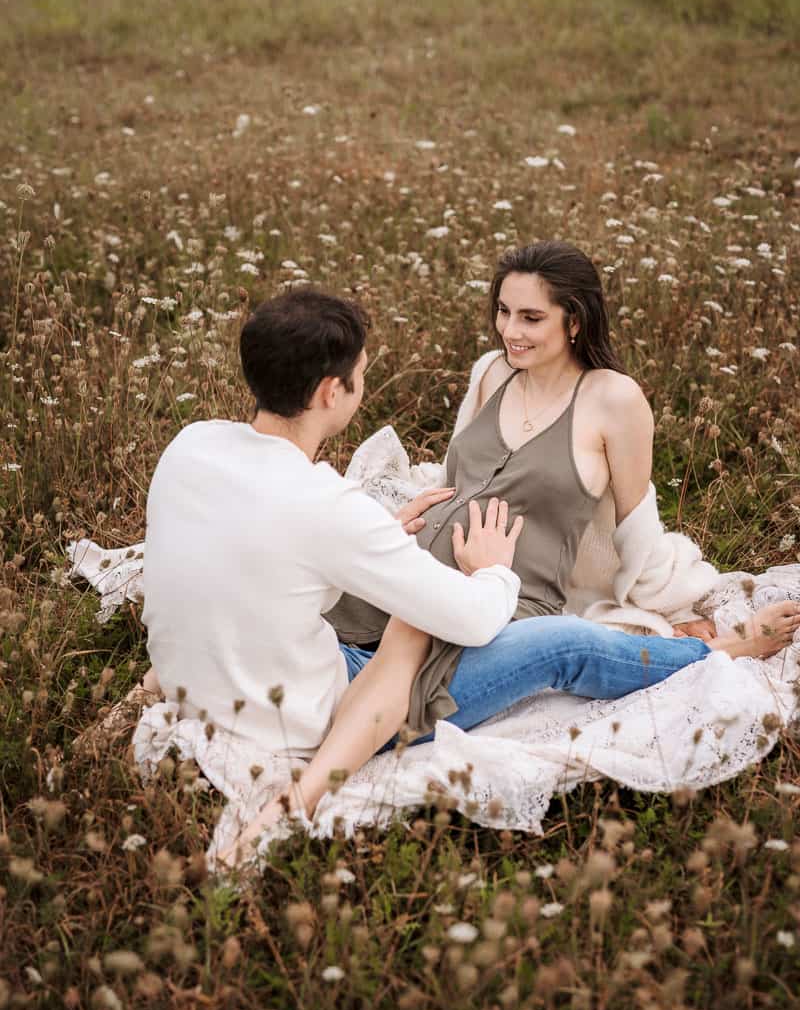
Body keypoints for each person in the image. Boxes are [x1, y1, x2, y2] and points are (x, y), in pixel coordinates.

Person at [167, 282, 797, 865]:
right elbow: (470, 616)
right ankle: (720, 650)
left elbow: (292, 553)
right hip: (318, 707)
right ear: (332, 392)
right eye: (360, 380)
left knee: (403, 612)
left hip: (246, 670)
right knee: (561, 643)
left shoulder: (192, 445)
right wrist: (491, 572)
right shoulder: (330, 508)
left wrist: (378, 537)